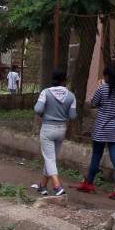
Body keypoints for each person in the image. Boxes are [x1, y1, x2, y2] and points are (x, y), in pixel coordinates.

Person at [76, 64, 115, 201]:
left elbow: (93, 103)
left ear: (107, 76)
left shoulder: (102, 89)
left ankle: (88, 183)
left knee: (96, 156)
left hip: (101, 128)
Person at [30, 69, 76, 198]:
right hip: (61, 129)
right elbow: (72, 116)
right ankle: (43, 186)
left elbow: (37, 109)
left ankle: (57, 186)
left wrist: (45, 114)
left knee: (49, 158)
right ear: (64, 80)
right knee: (51, 158)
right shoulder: (71, 96)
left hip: (48, 128)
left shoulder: (46, 92)